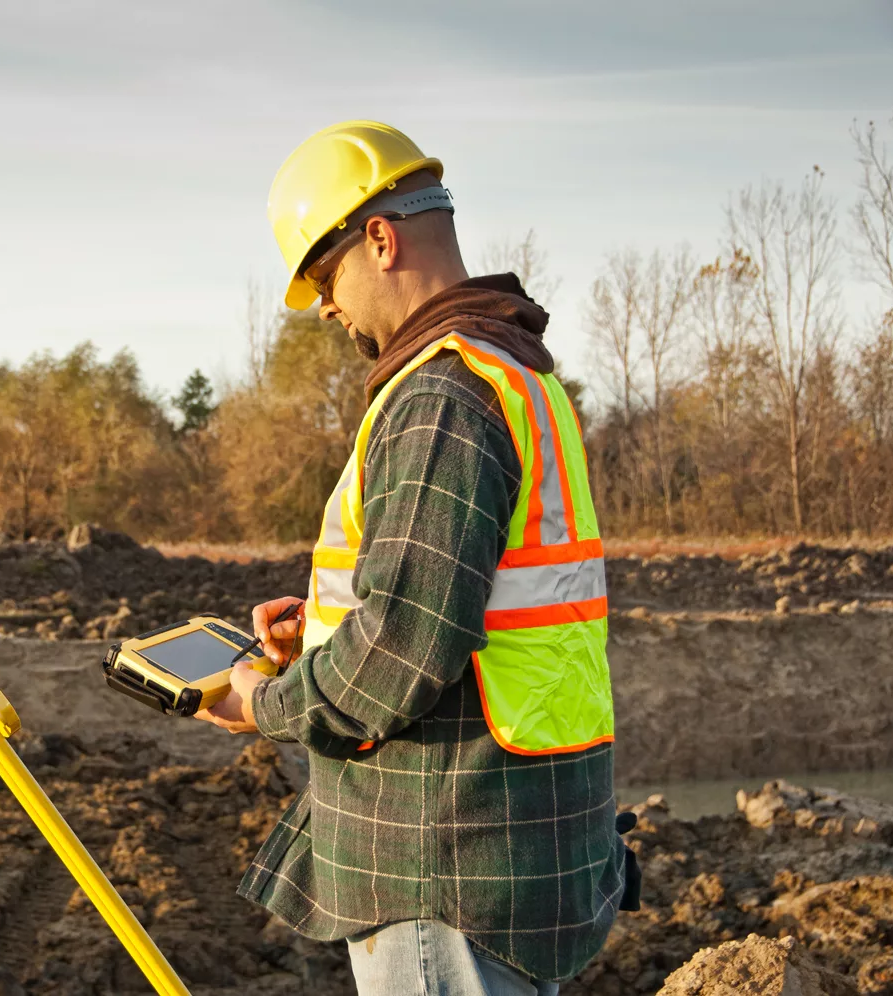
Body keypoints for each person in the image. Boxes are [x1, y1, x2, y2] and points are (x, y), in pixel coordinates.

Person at [193, 121, 626, 995]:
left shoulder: (439, 394)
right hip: (507, 836)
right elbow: (453, 599)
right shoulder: (517, 375)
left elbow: (402, 644)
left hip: (446, 861)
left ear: (379, 239)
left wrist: (265, 702)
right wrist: (321, 632)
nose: (324, 306)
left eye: (323, 276)